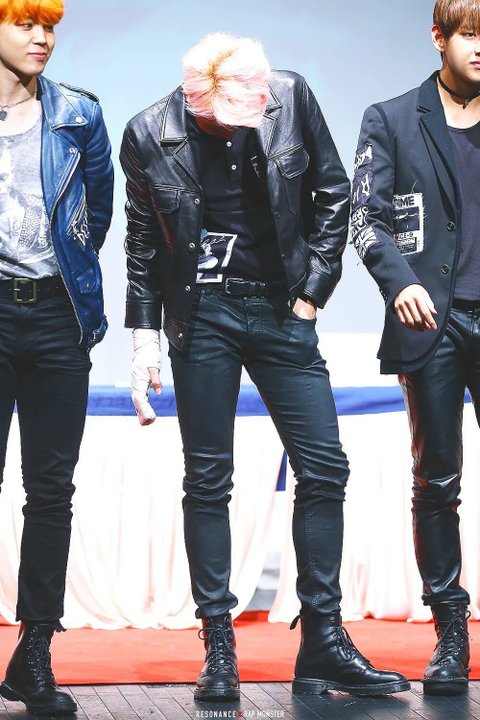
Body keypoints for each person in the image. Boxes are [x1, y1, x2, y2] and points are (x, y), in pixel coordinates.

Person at [120, 32, 409, 701]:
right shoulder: (148, 132)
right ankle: (219, 646)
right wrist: (143, 341)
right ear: (199, 101)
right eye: (233, 113)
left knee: (325, 467)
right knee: (208, 479)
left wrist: (314, 293)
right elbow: (142, 240)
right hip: (202, 313)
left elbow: (333, 191)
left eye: (257, 105)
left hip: (283, 308)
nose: (251, 117)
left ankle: (324, 641)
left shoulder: (287, 95)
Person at [352, 0, 480, 697]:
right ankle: (450, 631)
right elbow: (364, 216)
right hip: (432, 322)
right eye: (470, 34)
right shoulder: (392, 118)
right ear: (439, 37)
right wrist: (399, 281)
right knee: (437, 481)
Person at [0, 0, 113, 715]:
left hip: (55, 317)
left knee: (50, 492)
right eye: (25, 23)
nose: (42, 37)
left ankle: (34, 653)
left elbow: (93, 220)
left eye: (49, 26)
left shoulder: (77, 115)